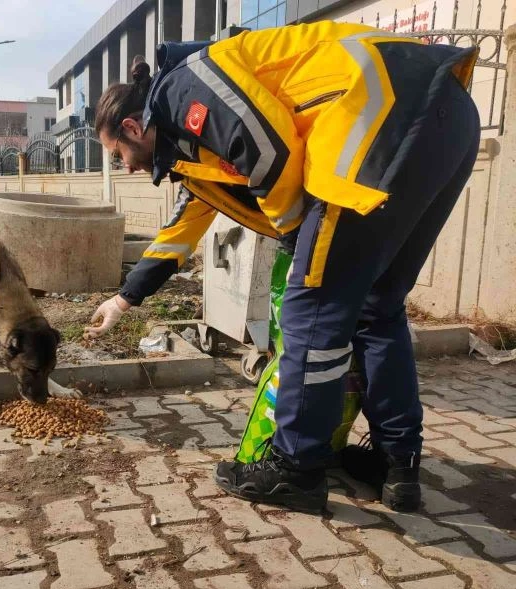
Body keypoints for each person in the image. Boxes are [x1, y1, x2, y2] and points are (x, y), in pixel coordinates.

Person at [85, 21, 480, 513]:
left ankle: (296, 469)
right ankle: (397, 464)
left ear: (130, 128)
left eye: (118, 153)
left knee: (313, 307)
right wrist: (124, 300)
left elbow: (267, 148)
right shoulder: (192, 141)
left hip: (380, 118)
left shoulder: (185, 86)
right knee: (378, 307)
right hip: (445, 116)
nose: (123, 166)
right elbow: (182, 228)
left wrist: (297, 238)